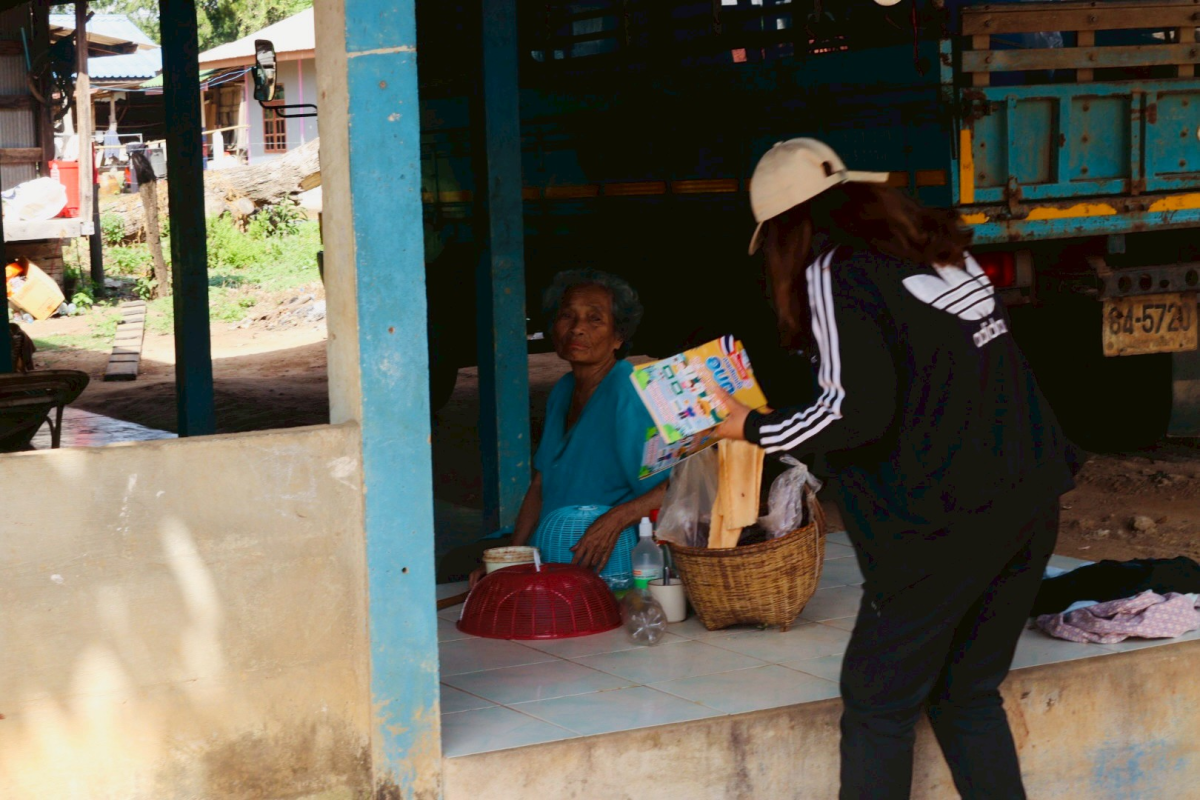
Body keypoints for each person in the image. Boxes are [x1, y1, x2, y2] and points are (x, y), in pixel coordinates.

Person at [713, 138, 1077, 799]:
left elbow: (856, 412)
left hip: (945, 522)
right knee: (966, 694)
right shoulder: (936, 246)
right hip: (1029, 498)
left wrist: (751, 426)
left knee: (878, 705)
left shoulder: (833, 267)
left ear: (785, 228)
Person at [460, 269, 669, 587]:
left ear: (618, 336)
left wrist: (616, 518)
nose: (577, 329)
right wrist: (513, 557)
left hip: (610, 557)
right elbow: (540, 485)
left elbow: (676, 486)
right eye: (567, 316)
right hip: (552, 551)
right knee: (460, 563)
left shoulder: (629, 392)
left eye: (594, 319)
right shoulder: (563, 390)